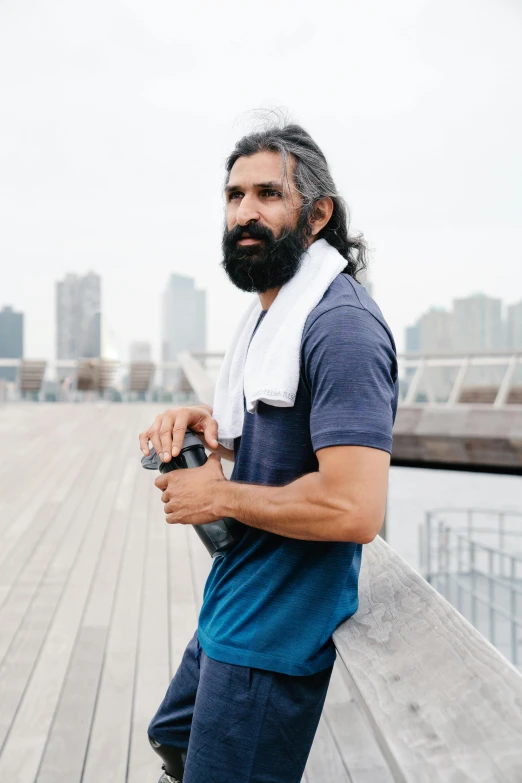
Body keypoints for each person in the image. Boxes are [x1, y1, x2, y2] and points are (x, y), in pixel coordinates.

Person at [140, 123, 399, 783]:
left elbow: (354, 506)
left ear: (317, 215)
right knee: (171, 737)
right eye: (233, 196)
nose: (244, 212)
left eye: (267, 194)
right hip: (234, 603)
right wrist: (207, 428)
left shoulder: (339, 326)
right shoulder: (268, 318)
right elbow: (276, 440)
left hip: (274, 634)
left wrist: (220, 494)